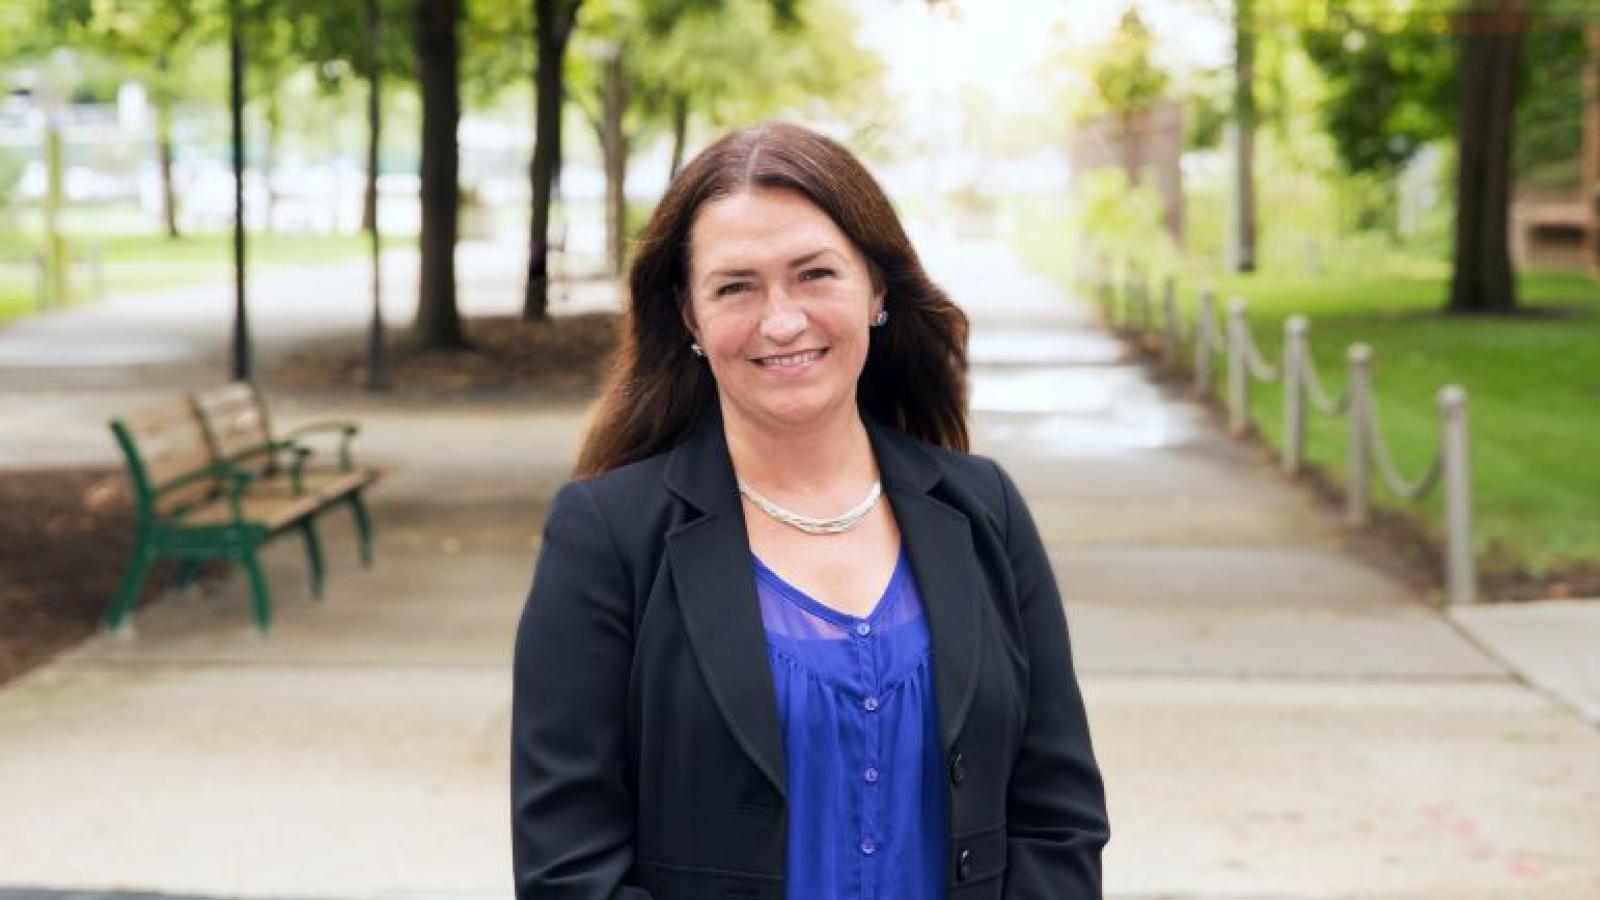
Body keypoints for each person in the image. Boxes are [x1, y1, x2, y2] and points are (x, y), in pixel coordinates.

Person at [510, 120, 1109, 900]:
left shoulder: (982, 508)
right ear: (689, 316)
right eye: (736, 286)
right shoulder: (606, 536)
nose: (782, 320)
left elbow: (1059, 817)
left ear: (877, 288)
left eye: (815, 274)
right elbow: (568, 869)